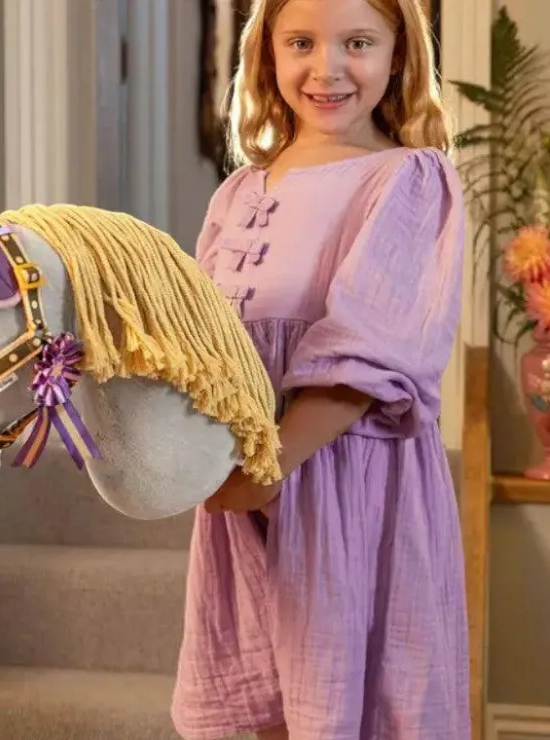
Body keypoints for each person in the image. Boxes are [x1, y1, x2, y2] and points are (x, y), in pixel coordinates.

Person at [171, 0, 470, 738]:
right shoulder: (239, 192)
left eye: (357, 42)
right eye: (301, 41)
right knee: (269, 704)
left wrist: (269, 467)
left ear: (398, 56)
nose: (326, 68)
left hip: (348, 487)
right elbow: (198, 340)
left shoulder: (408, 179)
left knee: (345, 705)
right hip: (247, 485)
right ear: (267, 52)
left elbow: (368, 347)